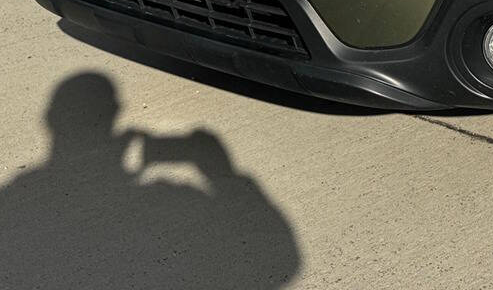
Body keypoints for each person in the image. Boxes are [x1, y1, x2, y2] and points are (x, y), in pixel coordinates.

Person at [0, 72, 300, 290]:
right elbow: (285, 263)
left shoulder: (15, 197)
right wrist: (219, 169)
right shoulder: (171, 202)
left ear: (50, 119)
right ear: (114, 113)